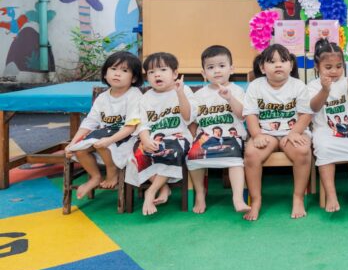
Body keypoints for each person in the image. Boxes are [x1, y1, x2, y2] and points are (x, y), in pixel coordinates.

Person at [242, 44, 313, 221]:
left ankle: (298, 197)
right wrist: (257, 135)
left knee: (303, 151)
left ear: (291, 65)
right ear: (262, 67)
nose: (278, 65)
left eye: (283, 60)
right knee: (251, 154)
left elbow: (306, 115)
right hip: (265, 134)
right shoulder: (255, 86)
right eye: (272, 62)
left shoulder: (298, 86)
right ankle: (256, 200)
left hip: (293, 132)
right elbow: (250, 114)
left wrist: (295, 133)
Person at [125, 52, 196, 216]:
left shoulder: (184, 90)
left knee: (171, 152)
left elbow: (188, 117)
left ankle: (151, 191)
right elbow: (143, 124)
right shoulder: (146, 98)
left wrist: (180, 93)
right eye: (151, 72)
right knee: (138, 155)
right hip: (154, 138)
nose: (157, 74)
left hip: (178, 136)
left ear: (175, 74)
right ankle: (164, 188)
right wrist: (145, 140)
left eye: (163, 70)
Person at [65, 51, 144, 200]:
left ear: (133, 78)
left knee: (102, 144)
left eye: (124, 71)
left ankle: (112, 171)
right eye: (113, 69)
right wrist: (73, 143)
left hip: (125, 137)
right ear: (105, 74)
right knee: (80, 149)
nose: (117, 73)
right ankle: (95, 177)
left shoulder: (134, 95)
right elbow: (90, 122)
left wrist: (109, 140)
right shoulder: (102, 97)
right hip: (104, 135)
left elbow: (131, 127)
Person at [187, 45, 248, 215]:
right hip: (206, 136)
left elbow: (243, 115)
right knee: (192, 156)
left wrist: (229, 98)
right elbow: (192, 121)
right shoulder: (199, 95)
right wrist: (192, 138)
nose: (217, 71)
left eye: (222, 66)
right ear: (203, 73)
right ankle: (200, 193)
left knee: (236, 160)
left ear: (231, 69)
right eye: (211, 67)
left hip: (232, 136)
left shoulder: (237, 90)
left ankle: (237, 198)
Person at [308, 38, 348, 213]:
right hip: (324, 129)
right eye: (328, 67)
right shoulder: (312, 86)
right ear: (317, 67)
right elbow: (314, 107)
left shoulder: (346, 81)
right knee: (323, 148)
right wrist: (325, 90)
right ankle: (331, 194)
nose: (334, 71)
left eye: (339, 66)